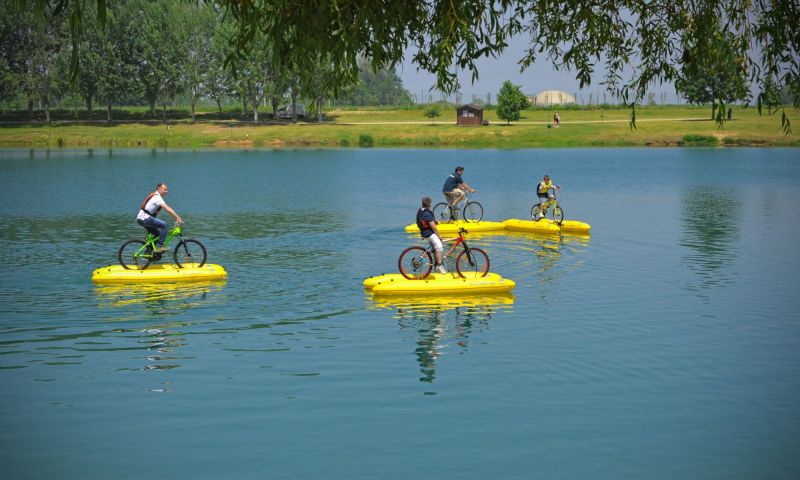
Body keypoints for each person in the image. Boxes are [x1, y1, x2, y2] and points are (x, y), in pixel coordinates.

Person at [136, 183, 183, 252]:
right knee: (164, 225)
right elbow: (167, 208)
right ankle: (159, 247)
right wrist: (177, 217)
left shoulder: (155, 196)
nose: (166, 192)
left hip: (141, 218)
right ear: (159, 189)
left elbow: (155, 213)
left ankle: (148, 252)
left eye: (167, 190)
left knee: (158, 235)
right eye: (165, 190)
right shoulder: (157, 197)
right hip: (145, 218)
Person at [417, 197, 447, 274]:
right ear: (430, 204)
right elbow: (433, 227)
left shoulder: (421, 210)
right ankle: (439, 265)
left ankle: (435, 266)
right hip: (428, 233)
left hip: (424, 232)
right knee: (439, 246)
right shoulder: (427, 213)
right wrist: (439, 236)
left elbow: (422, 222)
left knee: (434, 249)